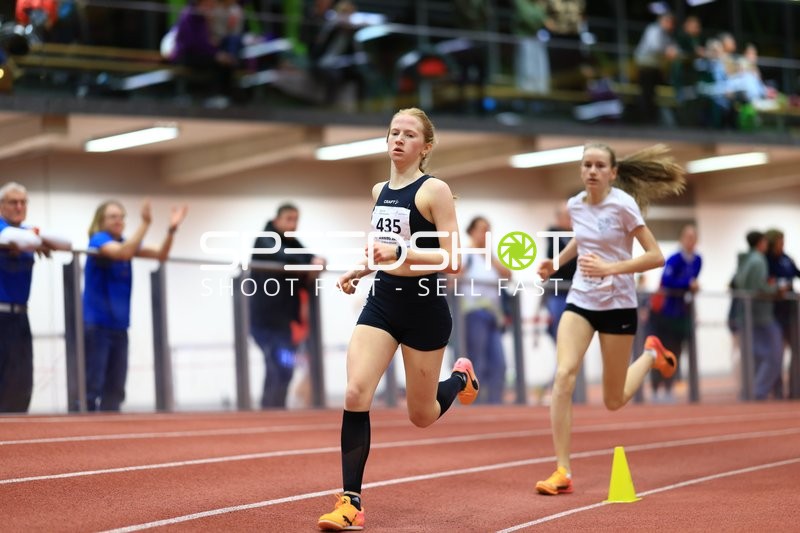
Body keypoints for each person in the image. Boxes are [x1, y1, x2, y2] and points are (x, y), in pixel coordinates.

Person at [317, 108, 479, 530]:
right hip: (384, 303)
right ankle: (350, 501)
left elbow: (455, 259)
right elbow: (383, 250)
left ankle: (460, 379)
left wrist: (400, 254)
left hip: (425, 309)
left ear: (424, 147)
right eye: (393, 132)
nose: (398, 139)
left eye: (409, 135)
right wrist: (360, 268)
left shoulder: (434, 191)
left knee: (421, 415)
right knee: (355, 392)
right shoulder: (378, 190)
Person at [534, 142, 685, 495]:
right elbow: (582, 239)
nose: (592, 171)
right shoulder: (575, 204)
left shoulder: (623, 205)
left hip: (618, 303)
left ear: (613, 173)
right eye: (587, 165)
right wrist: (556, 263)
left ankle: (651, 355)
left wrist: (611, 268)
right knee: (563, 375)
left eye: (600, 166)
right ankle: (562, 470)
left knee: (613, 400)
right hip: (581, 300)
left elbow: (656, 256)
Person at [83, 199, 187, 411]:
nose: (119, 221)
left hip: (120, 326)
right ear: (100, 221)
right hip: (97, 324)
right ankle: (84, 429)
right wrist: (145, 224)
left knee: (116, 388)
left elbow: (161, 254)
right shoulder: (98, 240)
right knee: (93, 384)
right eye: (113, 216)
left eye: (122, 217)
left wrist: (171, 230)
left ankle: (109, 432)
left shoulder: (125, 242)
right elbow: (123, 253)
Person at [0, 182, 70, 412]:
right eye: (13, 202)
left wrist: (35, 237)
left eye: (23, 202)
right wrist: (35, 240)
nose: (19, 207)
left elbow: (66, 243)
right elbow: (26, 241)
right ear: (2, 206)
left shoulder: (25, 232)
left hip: (20, 316)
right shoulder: (4, 229)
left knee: (21, 381)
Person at [249, 203, 324, 409]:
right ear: (277, 220)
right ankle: (270, 411)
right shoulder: (265, 240)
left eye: (295, 220)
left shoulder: (291, 241)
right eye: (288, 219)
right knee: (278, 367)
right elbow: (285, 256)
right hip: (264, 322)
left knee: (283, 368)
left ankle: (274, 410)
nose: (292, 224)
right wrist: (310, 262)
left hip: (283, 321)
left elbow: (309, 256)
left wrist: (316, 261)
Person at [647, 223, 702, 402]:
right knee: (662, 351)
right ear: (681, 239)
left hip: (683, 314)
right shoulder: (674, 259)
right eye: (687, 237)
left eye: (693, 238)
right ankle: (656, 388)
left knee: (676, 352)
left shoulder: (698, 260)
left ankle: (670, 386)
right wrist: (687, 284)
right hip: (665, 314)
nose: (690, 241)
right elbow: (667, 281)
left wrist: (690, 286)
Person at [460, 215, 511, 404]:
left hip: (493, 315)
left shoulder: (490, 256)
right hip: (473, 312)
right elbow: (453, 276)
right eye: (483, 229)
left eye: (489, 229)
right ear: (472, 231)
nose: (486, 233)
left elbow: (508, 275)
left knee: (499, 363)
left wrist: (488, 255)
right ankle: (475, 404)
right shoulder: (465, 253)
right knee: (477, 363)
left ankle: (495, 404)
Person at [733, 231, 784, 400]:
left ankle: (750, 391)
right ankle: (758, 391)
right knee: (775, 355)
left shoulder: (744, 260)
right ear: (761, 243)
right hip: (761, 315)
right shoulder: (758, 260)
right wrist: (776, 289)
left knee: (753, 357)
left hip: (747, 316)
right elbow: (759, 288)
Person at [765, 229, 800, 398]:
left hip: (791, 312)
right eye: (779, 242)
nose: (782, 245)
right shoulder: (766, 261)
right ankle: (777, 391)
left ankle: (795, 389)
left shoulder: (787, 259)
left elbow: (796, 273)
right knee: (776, 353)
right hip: (774, 313)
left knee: (796, 350)